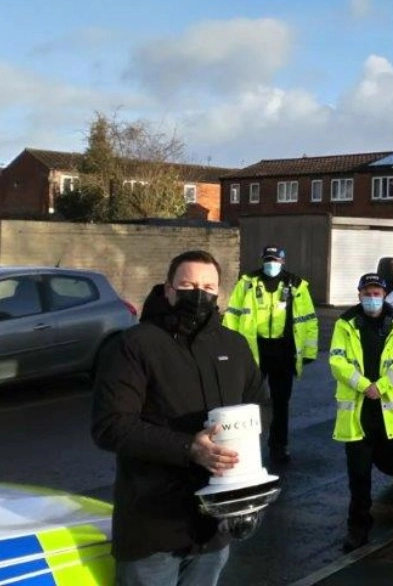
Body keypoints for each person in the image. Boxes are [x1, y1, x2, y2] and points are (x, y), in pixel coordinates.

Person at [92, 250, 269, 586]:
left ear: (219, 292)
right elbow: (110, 425)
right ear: (169, 289)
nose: (199, 293)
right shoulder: (135, 345)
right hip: (153, 526)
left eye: (208, 286)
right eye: (188, 284)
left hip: (213, 527)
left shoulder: (234, 345)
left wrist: (242, 446)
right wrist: (189, 448)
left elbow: (261, 407)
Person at [329, 273, 393, 552]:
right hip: (359, 415)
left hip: (392, 415)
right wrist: (363, 385)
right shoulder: (345, 324)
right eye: (367, 293)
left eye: (377, 293)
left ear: (384, 294)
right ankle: (358, 531)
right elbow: (337, 361)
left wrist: (381, 386)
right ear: (359, 294)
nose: (372, 298)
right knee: (359, 479)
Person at [223, 245, 318, 463]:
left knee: (280, 403)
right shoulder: (247, 283)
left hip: (284, 353)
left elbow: (309, 320)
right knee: (246, 401)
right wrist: (229, 349)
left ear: (283, 262)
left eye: (275, 260)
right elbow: (232, 315)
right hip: (253, 352)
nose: (271, 264)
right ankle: (242, 446)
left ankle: (279, 445)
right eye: (267, 259)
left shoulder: (296, 285)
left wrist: (309, 352)